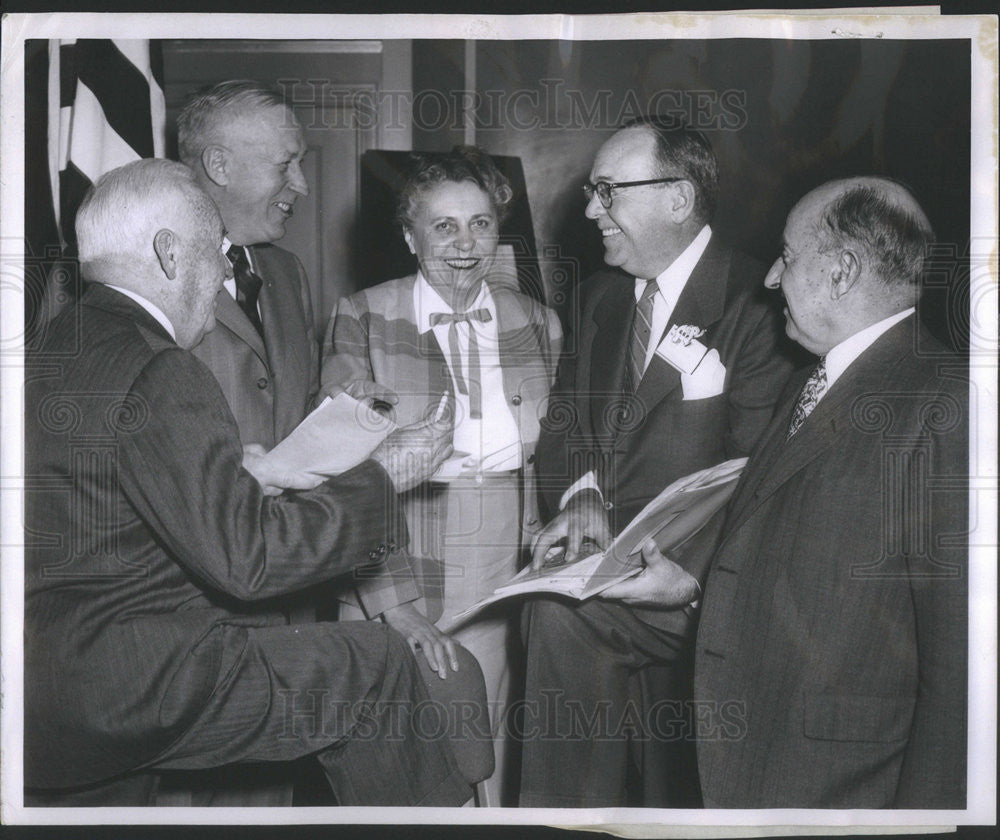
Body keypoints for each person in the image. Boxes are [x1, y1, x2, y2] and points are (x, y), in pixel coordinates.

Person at [24, 159, 493, 807]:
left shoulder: (53, 344)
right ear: (167, 253)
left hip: (46, 692)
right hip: (137, 686)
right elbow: (249, 564)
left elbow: (101, 503)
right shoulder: (162, 369)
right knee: (374, 666)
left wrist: (253, 477)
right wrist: (385, 477)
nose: (224, 272)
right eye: (216, 249)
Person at [519, 117, 799, 807]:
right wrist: (580, 494)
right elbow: (564, 427)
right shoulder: (597, 300)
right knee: (552, 614)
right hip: (611, 578)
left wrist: (688, 579)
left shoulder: (762, 306)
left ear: (677, 199)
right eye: (590, 191)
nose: (590, 210)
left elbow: (760, 477)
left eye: (608, 191)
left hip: (703, 585)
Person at [692, 177, 967, 807]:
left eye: (787, 257)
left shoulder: (947, 403)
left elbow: (960, 669)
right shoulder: (818, 378)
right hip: (763, 759)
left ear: (841, 271)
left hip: (841, 787)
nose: (769, 280)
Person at [322, 146, 563, 805]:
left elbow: (556, 460)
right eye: (444, 225)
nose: (465, 244)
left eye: (481, 223)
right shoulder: (363, 316)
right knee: (410, 766)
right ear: (409, 235)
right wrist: (395, 607)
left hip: (505, 566)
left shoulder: (539, 324)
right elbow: (345, 478)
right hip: (398, 555)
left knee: (492, 747)